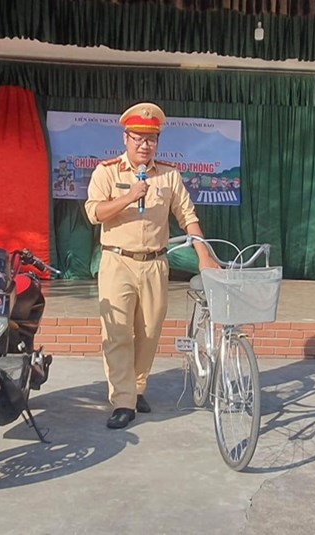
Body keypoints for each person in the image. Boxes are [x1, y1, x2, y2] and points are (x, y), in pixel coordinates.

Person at [84, 102, 217, 429]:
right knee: (117, 334)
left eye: (151, 139)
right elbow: (94, 213)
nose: (145, 145)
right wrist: (130, 196)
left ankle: (137, 388)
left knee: (149, 332)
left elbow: (187, 216)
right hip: (117, 261)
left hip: (155, 264)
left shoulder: (169, 175)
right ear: (125, 138)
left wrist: (204, 256)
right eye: (138, 138)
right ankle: (123, 401)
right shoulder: (107, 171)